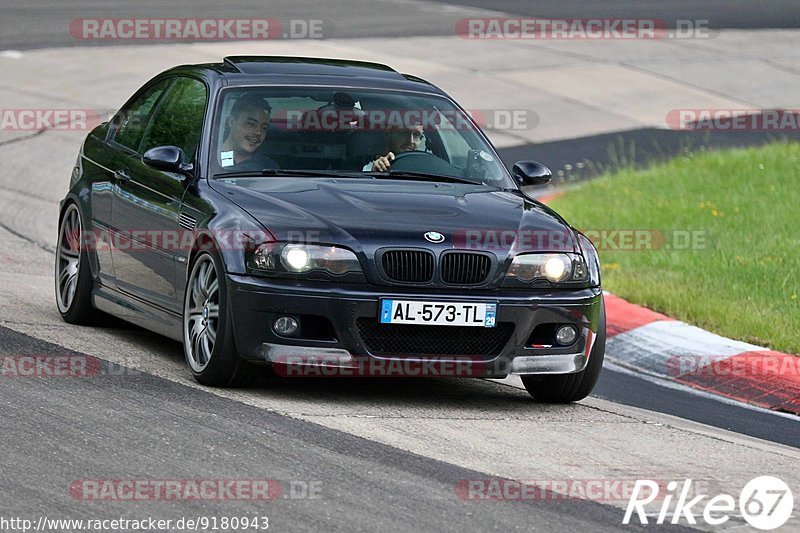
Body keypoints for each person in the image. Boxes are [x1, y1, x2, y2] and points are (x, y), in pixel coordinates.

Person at [218, 94, 278, 171]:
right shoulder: (209, 158)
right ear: (231, 121)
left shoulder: (268, 167)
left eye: (264, 128)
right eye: (251, 124)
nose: (258, 132)